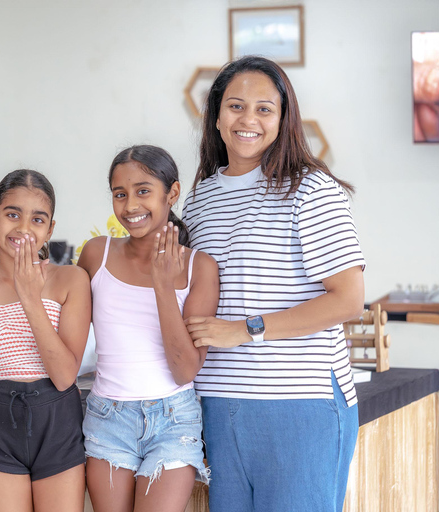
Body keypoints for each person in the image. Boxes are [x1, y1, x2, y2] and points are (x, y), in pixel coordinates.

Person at [181, 56, 366, 512]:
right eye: (236, 106)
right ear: (216, 116)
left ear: (283, 119)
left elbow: (348, 300)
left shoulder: (311, 189)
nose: (248, 119)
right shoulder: (200, 199)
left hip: (299, 402)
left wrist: (246, 329)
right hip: (218, 404)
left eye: (264, 109)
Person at [77, 146, 219, 512]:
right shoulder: (96, 254)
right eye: (119, 194)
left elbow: (185, 370)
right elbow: (60, 309)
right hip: (108, 417)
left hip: (173, 420)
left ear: (172, 193)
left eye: (143, 191)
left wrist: (163, 284)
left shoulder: (200, 268)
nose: (130, 206)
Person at [0, 169, 91, 512]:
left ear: (50, 229)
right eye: (12, 214)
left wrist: (29, 297)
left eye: (37, 219)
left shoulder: (71, 280)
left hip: (57, 422)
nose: (24, 228)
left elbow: (64, 376)